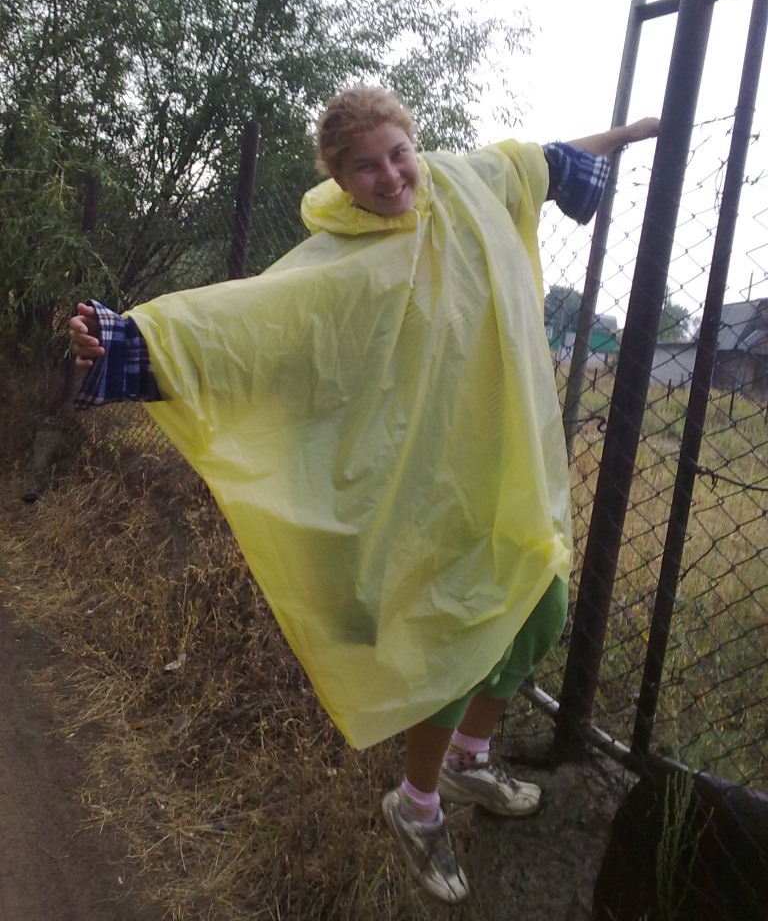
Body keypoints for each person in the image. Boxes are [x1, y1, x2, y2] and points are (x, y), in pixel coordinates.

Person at [70, 87, 659, 904]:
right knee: (455, 635)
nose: (389, 176)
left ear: (417, 146)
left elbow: (545, 161)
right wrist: (122, 340)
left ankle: (468, 762)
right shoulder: (337, 261)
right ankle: (417, 805)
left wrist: (634, 130)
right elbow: (243, 321)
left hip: (499, 463)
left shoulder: (465, 186)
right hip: (412, 486)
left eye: (397, 154)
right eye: (365, 167)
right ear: (339, 181)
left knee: (542, 607)